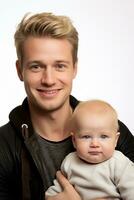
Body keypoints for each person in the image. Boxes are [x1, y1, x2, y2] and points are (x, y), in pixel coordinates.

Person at [0, 12, 134, 200]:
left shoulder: (110, 131)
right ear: (19, 70)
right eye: (36, 67)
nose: (48, 80)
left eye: (60, 66)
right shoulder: (3, 146)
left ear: (74, 68)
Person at [45, 100, 134, 200]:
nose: (95, 144)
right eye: (86, 136)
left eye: (103, 137)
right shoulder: (69, 161)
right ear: (74, 140)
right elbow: (56, 190)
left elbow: (131, 191)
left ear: (116, 140)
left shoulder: (119, 163)